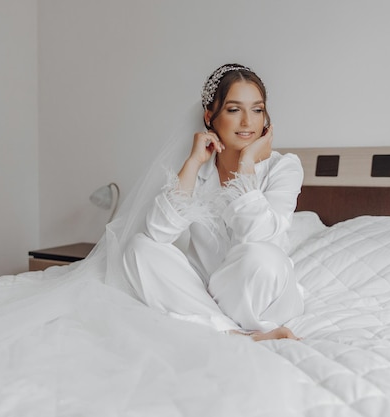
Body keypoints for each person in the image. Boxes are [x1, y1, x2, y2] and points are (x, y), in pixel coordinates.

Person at [123, 64, 304, 341]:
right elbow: (158, 232)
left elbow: (254, 234)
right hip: (210, 292)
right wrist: (194, 162)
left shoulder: (285, 167)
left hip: (262, 287)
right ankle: (231, 332)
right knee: (140, 248)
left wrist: (246, 165)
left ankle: (220, 323)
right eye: (234, 110)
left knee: (260, 255)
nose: (247, 122)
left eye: (257, 110)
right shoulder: (200, 169)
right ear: (210, 117)